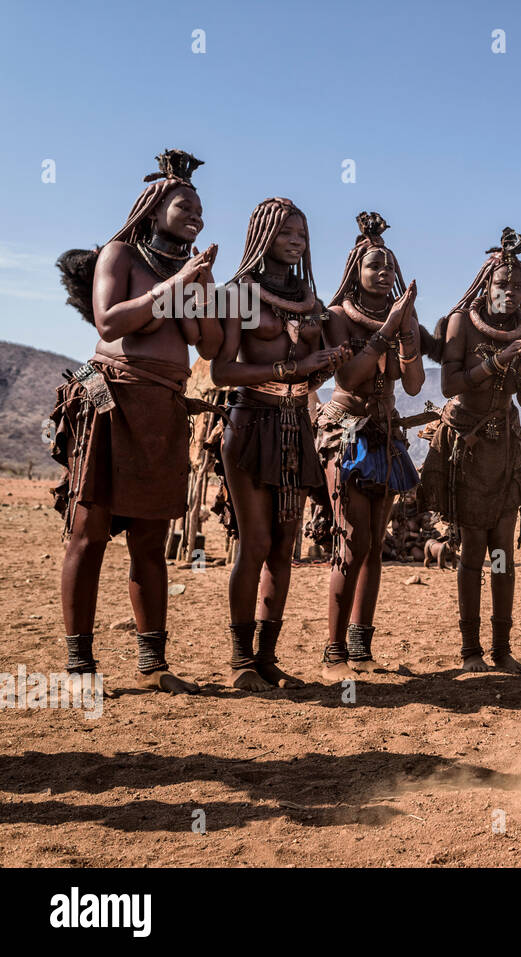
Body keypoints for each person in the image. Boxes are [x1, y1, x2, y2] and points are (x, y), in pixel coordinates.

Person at [50, 149, 221, 695]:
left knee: (150, 542)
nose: (195, 213)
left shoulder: (189, 273)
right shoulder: (119, 254)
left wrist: (204, 288)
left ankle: (154, 667)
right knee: (90, 534)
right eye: (184, 203)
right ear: (154, 208)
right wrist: (176, 284)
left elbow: (210, 346)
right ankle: (80, 667)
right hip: (112, 402)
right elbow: (110, 319)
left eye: (199, 206)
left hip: (163, 409)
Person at [210, 198, 351, 691]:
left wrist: (328, 363)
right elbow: (221, 370)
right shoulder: (241, 293)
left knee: (284, 546)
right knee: (255, 542)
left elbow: (311, 379)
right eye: (287, 231)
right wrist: (290, 369)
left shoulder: (311, 302)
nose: (297, 241)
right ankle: (239, 661)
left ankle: (267, 658)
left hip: (295, 422)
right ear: (264, 234)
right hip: (250, 421)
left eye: (304, 235)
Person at [422, 228, 521, 674]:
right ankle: (470, 652)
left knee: (504, 552)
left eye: (519, 287)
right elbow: (449, 384)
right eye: (503, 285)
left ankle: (502, 650)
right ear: (487, 285)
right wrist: (499, 361)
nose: (511, 293)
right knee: (473, 550)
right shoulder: (461, 322)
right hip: (468, 450)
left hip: (505, 452)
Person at [317, 213, 426, 680]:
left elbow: (416, 384)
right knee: (351, 541)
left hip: (386, 434)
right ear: (355, 272)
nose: (382, 273)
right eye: (372, 266)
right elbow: (349, 376)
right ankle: (333, 654)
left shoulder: (403, 319)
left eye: (388, 266)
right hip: (346, 431)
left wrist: (406, 331)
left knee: (374, 547)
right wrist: (389, 328)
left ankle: (361, 650)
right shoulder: (337, 316)